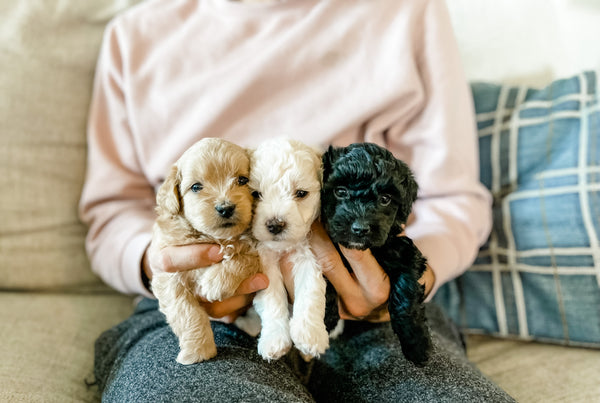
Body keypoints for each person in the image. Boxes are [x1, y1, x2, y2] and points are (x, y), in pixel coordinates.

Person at [80, 0, 515, 401]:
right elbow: (112, 210)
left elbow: (451, 197)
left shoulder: (407, 10)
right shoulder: (134, 36)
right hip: (201, 309)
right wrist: (159, 260)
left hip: (375, 315)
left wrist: (402, 284)